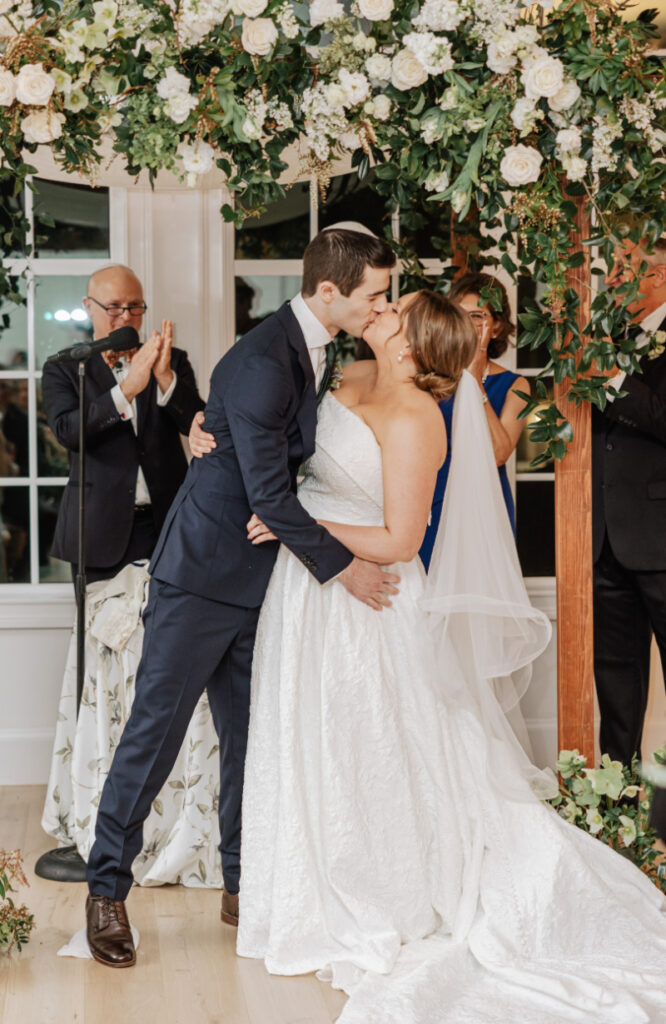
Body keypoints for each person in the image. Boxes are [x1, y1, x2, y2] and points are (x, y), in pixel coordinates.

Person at [237, 290, 666, 1023]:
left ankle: (387, 884)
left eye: (390, 307)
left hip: (372, 602)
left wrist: (297, 522)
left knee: (379, 745)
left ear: (407, 340)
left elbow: (401, 542)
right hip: (313, 601)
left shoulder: (416, 422)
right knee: (315, 739)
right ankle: (307, 880)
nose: (379, 310)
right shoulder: (344, 382)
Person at [83, 228, 400, 968]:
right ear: (329, 291)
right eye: (373, 294)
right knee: (153, 736)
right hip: (199, 577)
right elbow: (268, 493)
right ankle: (105, 891)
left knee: (254, 743)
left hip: (263, 581)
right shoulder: (265, 360)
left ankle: (243, 884)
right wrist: (344, 567)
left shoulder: (313, 350)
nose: (379, 304)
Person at [42, 264, 205, 585]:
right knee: (103, 631)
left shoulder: (171, 359)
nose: (126, 316)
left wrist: (165, 379)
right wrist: (127, 388)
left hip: (167, 523)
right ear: (89, 307)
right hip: (99, 528)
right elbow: (68, 432)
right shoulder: (63, 367)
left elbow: (199, 426)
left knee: (170, 632)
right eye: (114, 306)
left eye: (135, 306)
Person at [593, 237, 666, 769]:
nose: (613, 278)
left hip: (661, 538)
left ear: (660, 275)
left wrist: (612, 379)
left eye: (625, 268)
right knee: (616, 679)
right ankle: (617, 795)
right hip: (604, 541)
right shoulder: (608, 337)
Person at [419, 272, 527, 571]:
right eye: (459, 314)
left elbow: (498, 453)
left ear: (497, 327)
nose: (467, 324)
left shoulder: (514, 385)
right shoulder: (429, 376)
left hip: (484, 504)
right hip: (432, 497)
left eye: (478, 316)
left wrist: (475, 382)